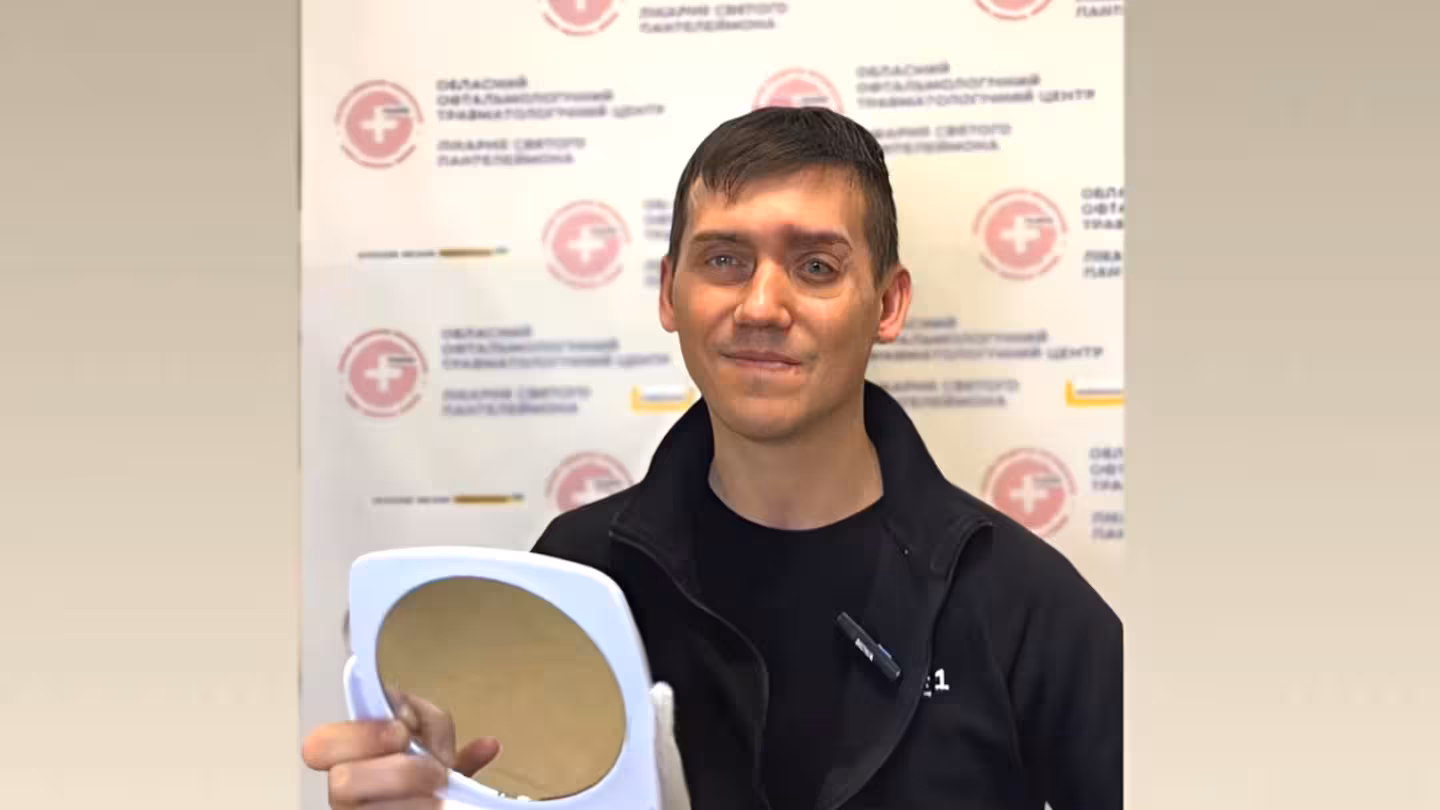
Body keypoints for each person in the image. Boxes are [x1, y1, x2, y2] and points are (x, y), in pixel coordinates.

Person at [302, 106, 1122, 810]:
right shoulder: (580, 573)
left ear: (889, 303)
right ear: (671, 292)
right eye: (725, 260)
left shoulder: (1020, 604)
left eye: (816, 266)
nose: (761, 306)